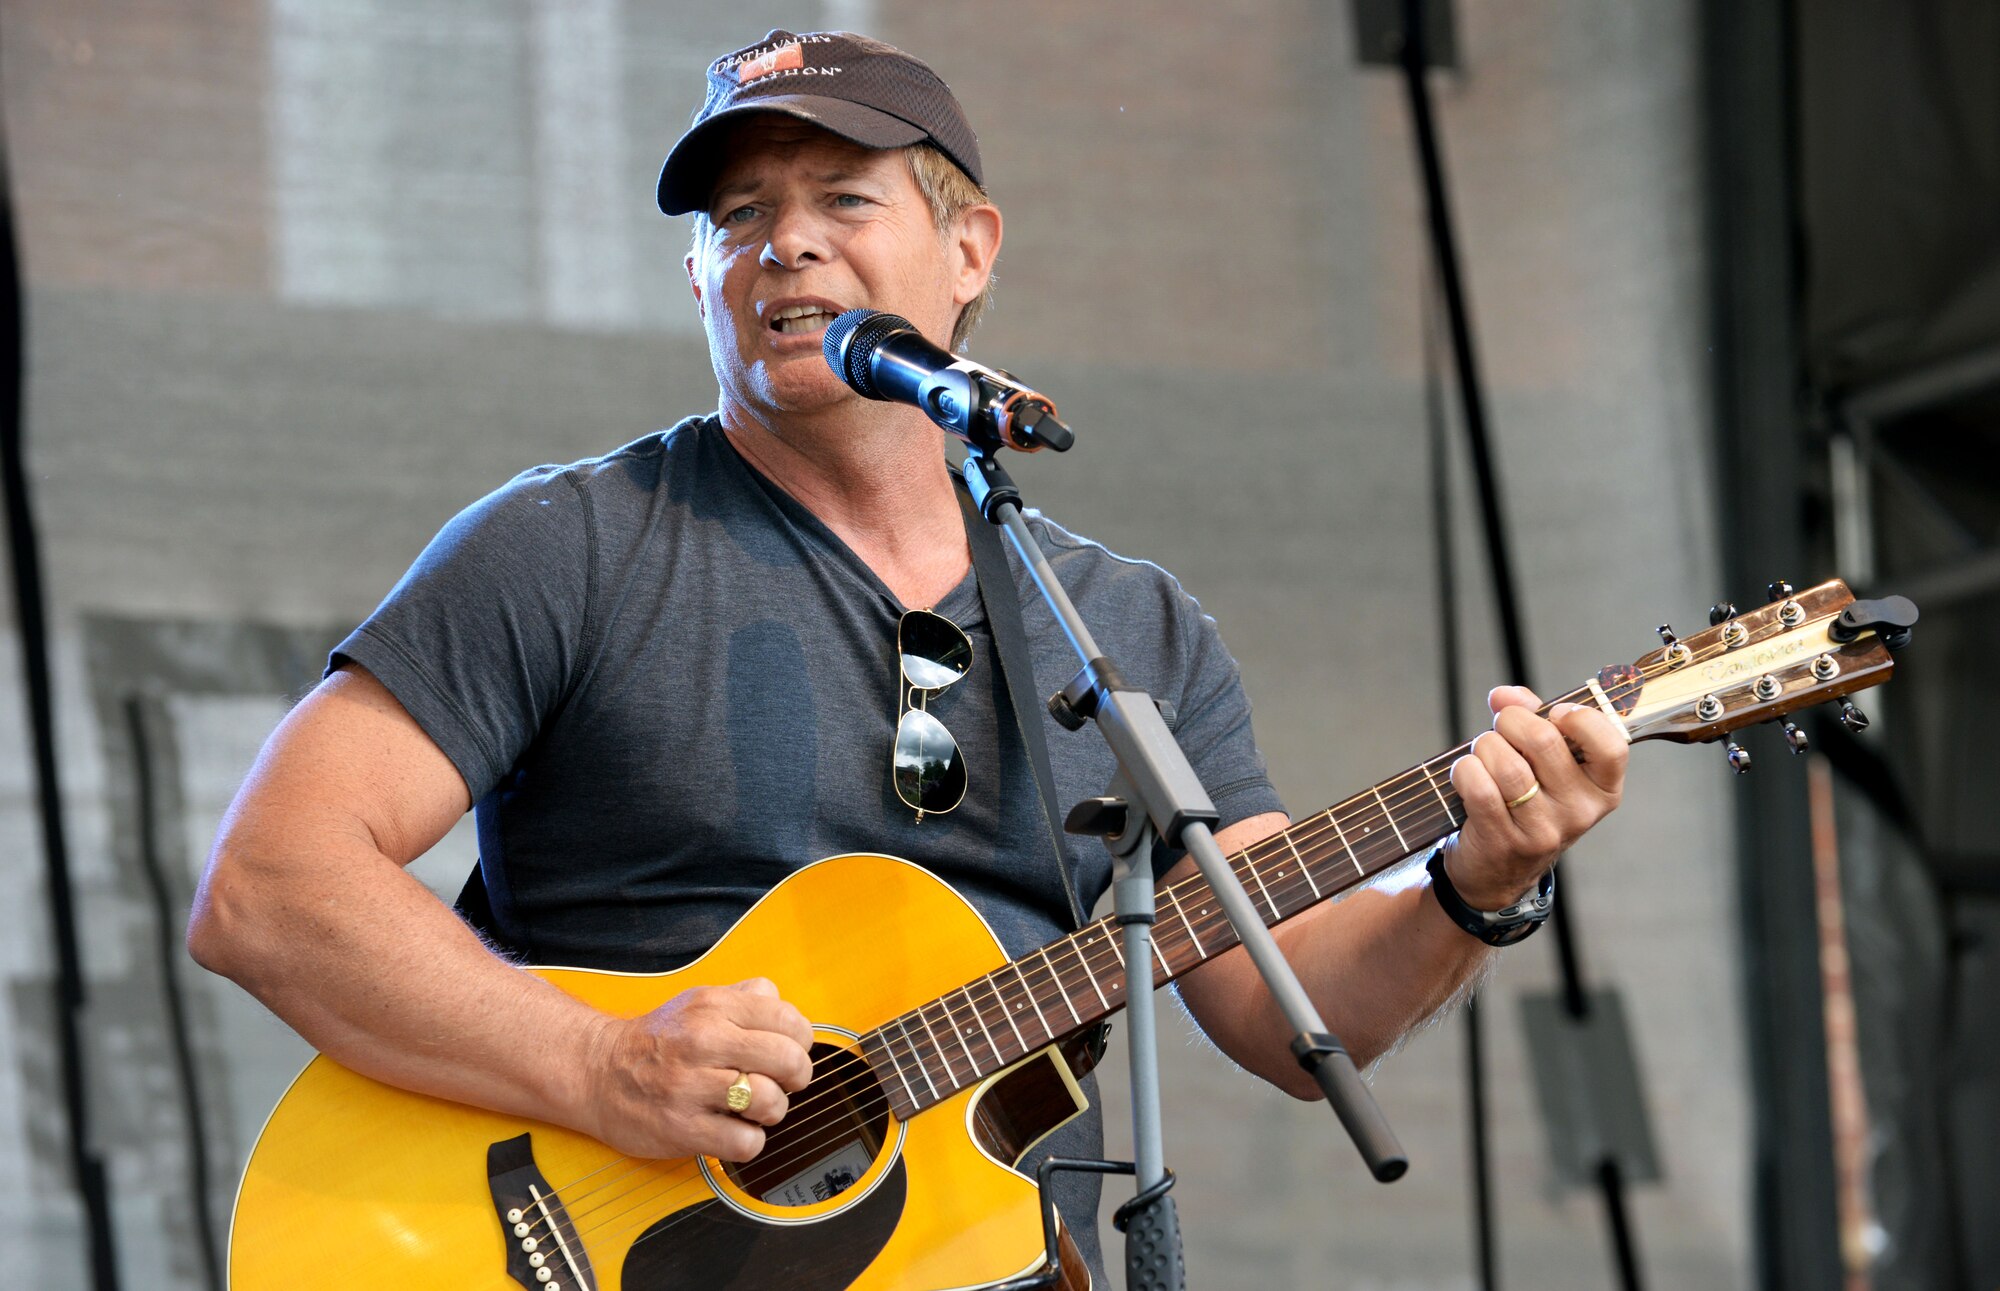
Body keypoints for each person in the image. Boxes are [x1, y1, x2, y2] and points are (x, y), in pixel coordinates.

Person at [188, 28, 1626, 1284]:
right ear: (700, 277)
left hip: (990, 1264)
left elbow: (1277, 997)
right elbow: (268, 888)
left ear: (971, 249)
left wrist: (1477, 885)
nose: (784, 244)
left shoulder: (1123, 622)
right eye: (738, 215)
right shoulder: (567, 543)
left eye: (842, 198)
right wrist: (604, 1066)